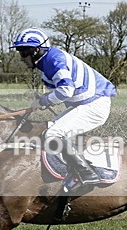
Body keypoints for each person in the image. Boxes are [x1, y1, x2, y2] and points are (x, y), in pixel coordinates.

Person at [10, 27, 117, 187]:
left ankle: (87, 173)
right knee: (51, 128)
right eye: (20, 52)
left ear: (37, 50)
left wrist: (44, 101)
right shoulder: (46, 63)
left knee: (54, 133)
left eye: (24, 52)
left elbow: (66, 90)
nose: (22, 58)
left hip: (95, 104)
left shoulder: (54, 60)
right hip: (87, 103)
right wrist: (45, 99)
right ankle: (70, 171)